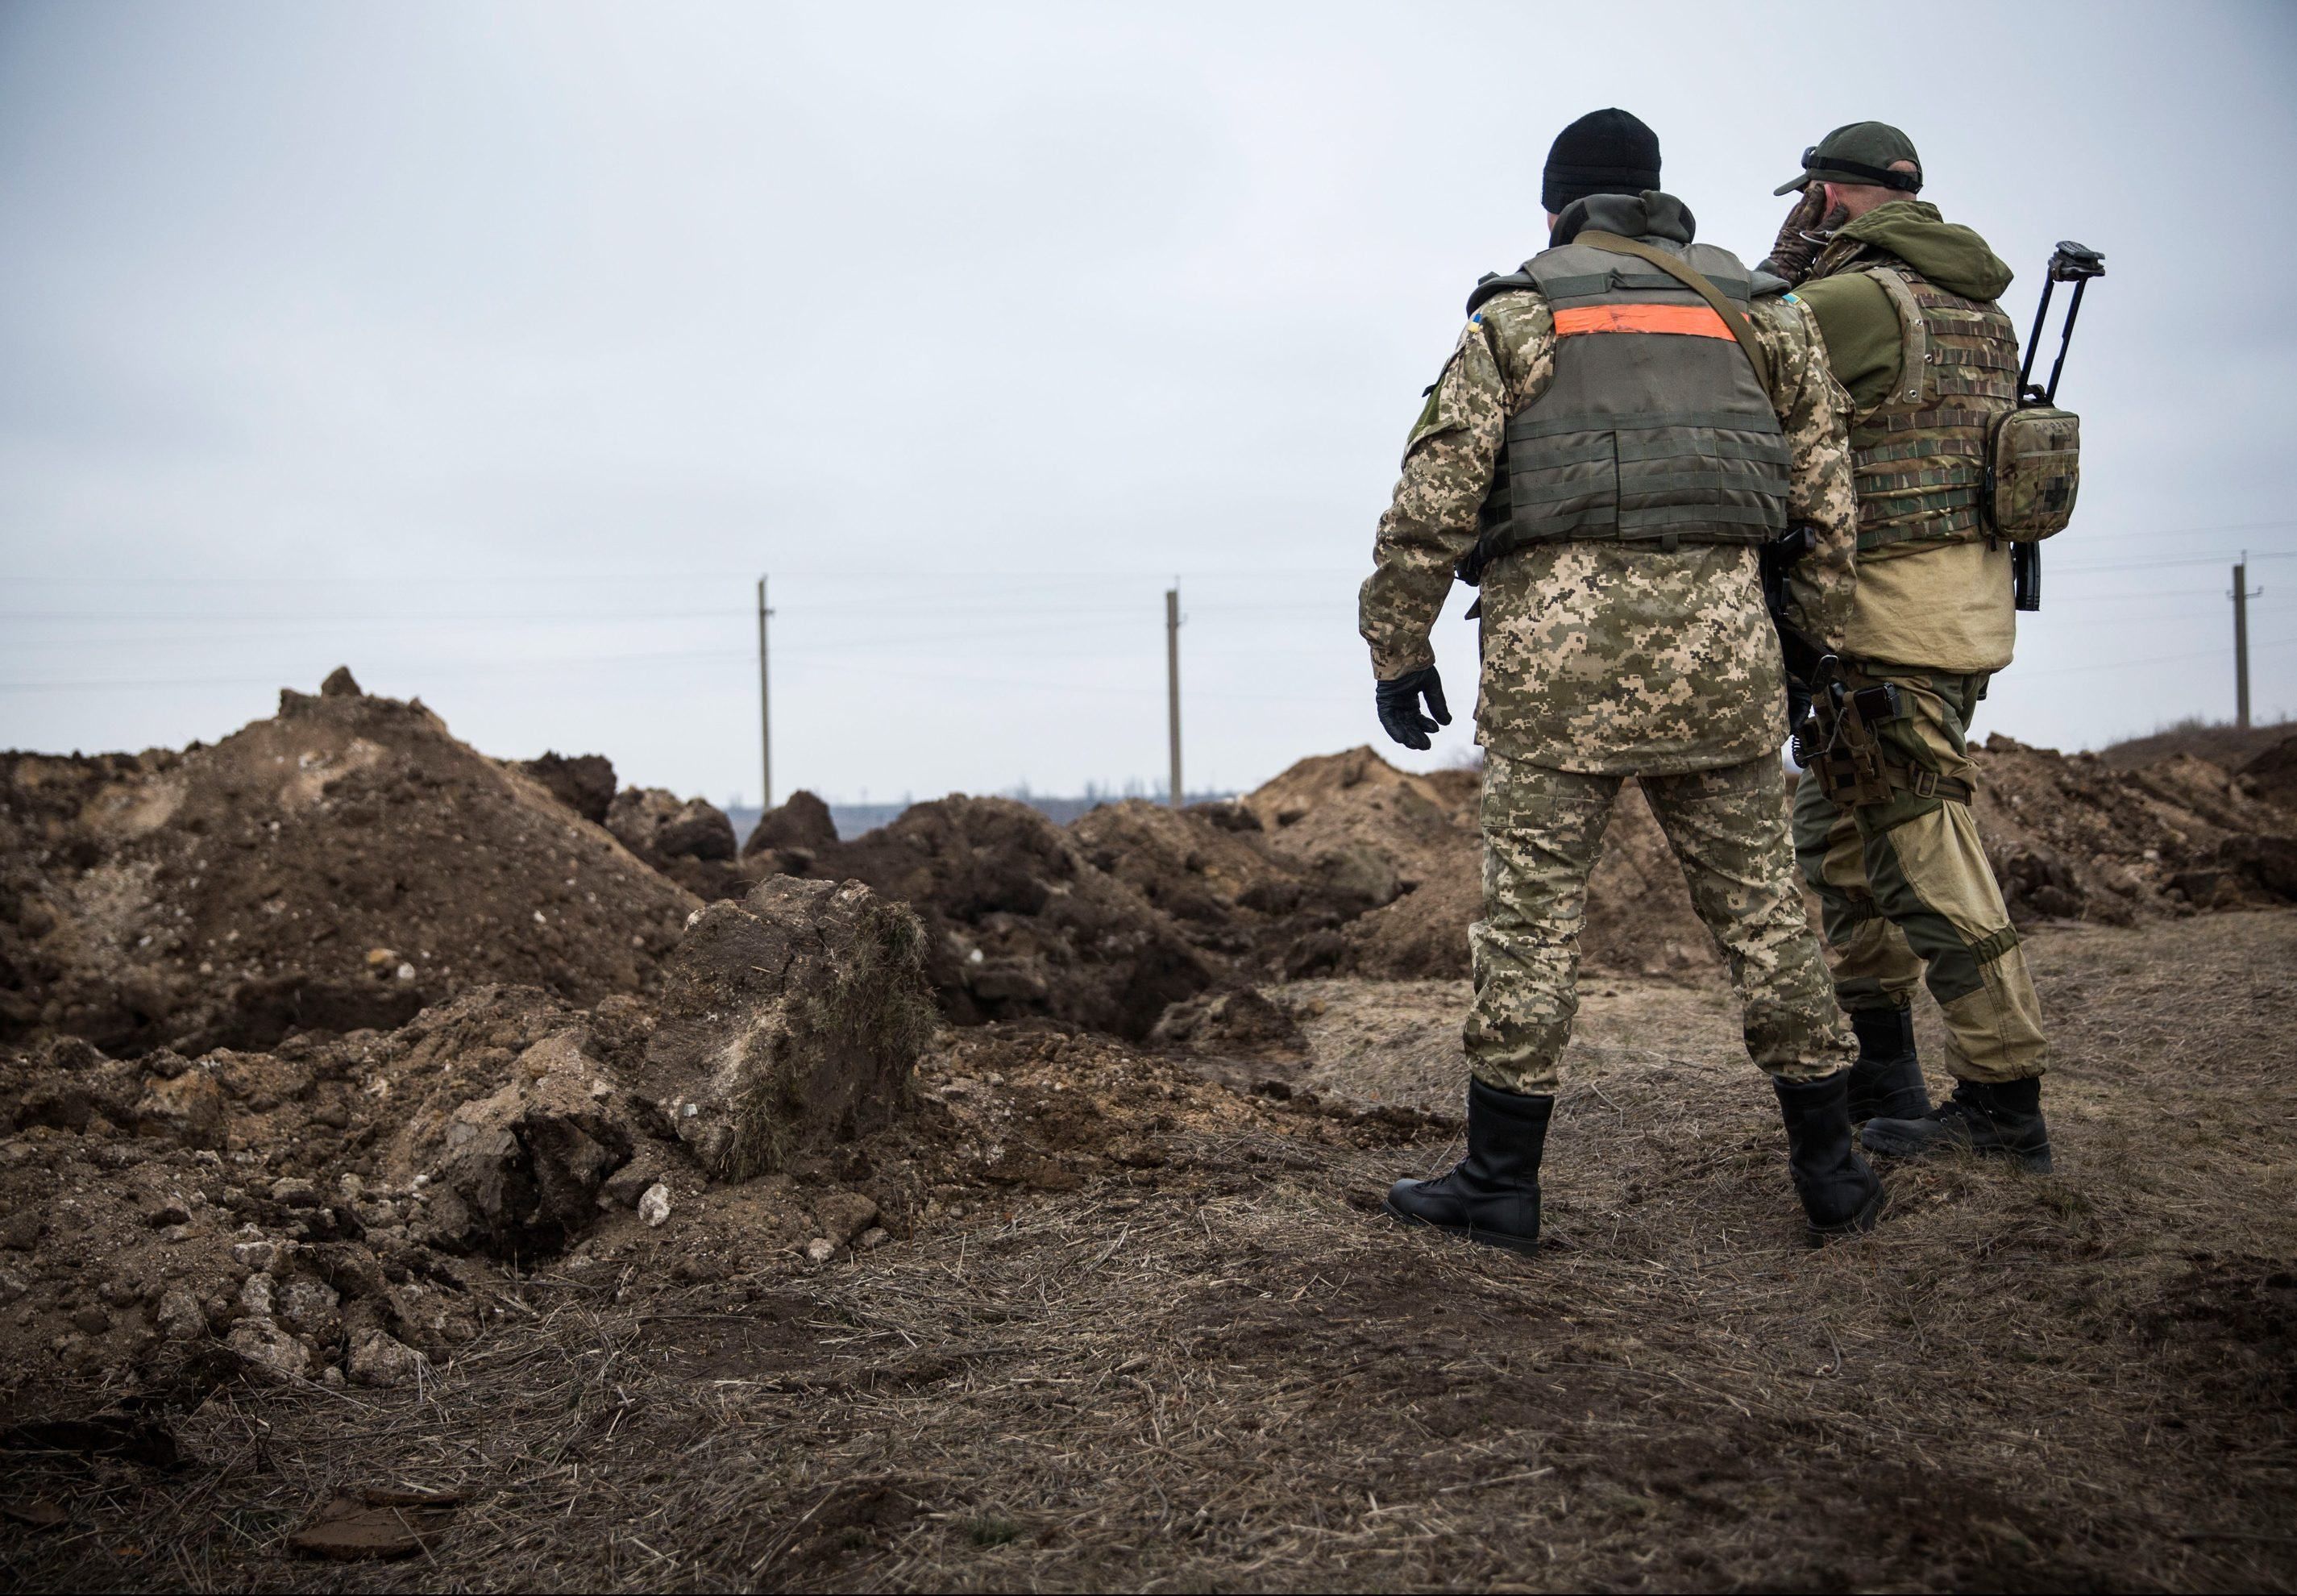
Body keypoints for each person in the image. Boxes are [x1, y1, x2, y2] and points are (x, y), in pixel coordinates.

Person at [1362, 108, 1878, 1253]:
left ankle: (1499, 1185)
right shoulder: (1763, 314)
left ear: (1557, 208)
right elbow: (1827, 505)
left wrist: (1399, 647)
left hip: (1556, 673)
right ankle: (1833, 1172)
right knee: (1761, 918)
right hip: (1724, 658)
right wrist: (1809, 648)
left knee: (1529, 925)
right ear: (1655, 199)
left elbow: (1433, 502)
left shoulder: (1519, 314)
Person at [1761, 123, 2053, 1172]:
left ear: (1828, 199)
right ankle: (1884, 1078)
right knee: (1837, 841)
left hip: (1885, 627)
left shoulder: (1851, 304)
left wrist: (1782, 263)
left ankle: (2001, 1099)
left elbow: (1731, 345)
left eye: (1809, 203)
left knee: (1923, 851)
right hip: (1957, 613)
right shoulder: (1975, 305)